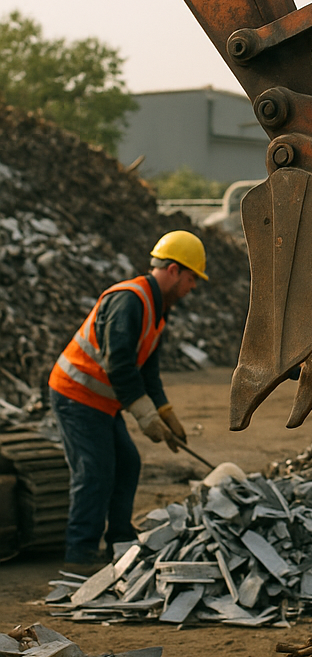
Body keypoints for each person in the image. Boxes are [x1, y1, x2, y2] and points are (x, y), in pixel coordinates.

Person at [49, 230, 208, 568]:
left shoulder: (156, 310)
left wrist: (166, 413)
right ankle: (80, 553)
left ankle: (120, 539)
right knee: (95, 471)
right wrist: (145, 416)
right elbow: (119, 364)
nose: (193, 288)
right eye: (192, 278)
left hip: (100, 401)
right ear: (174, 270)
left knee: (128, 463)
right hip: (75, 394)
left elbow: (147, 372)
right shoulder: (129, 300)